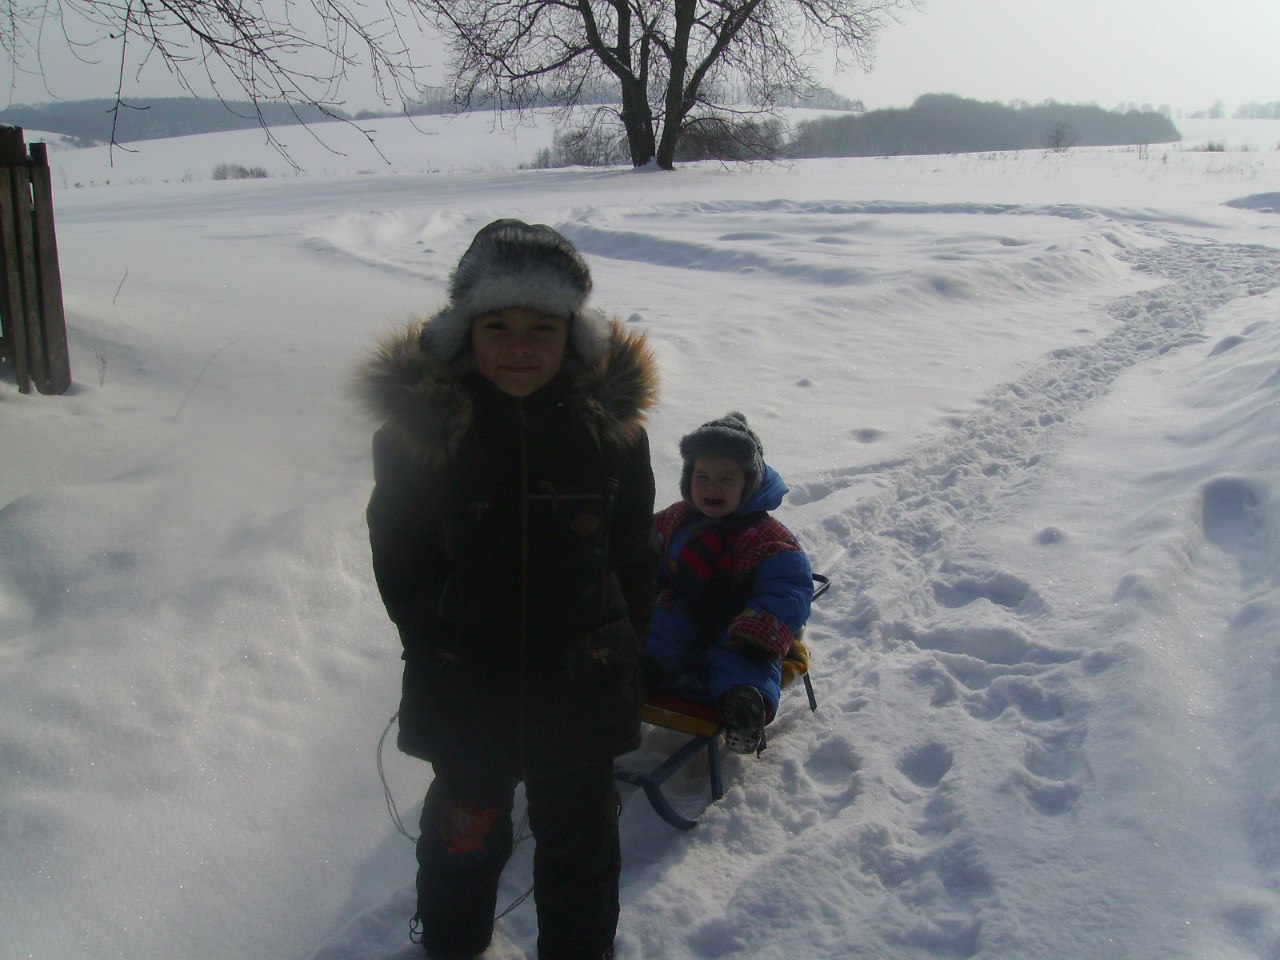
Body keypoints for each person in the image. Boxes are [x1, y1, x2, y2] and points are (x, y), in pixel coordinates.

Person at [354, 219, 659, 960]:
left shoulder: (609, 430)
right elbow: (398, 552)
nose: (519, 347)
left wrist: (625, 645)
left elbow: (634, 551)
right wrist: (432, 639)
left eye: (541, 328)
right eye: (498, 326)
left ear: (572, 333)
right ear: (465, 330)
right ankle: (450, 946)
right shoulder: (423, 434)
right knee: (462, 839)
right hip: (468, 686)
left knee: (582, 848)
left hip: (582, 685)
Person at [645, 412, 813, 756]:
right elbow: (646, 550)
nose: (712, 487)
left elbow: (789, 588)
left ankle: (744, 705)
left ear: (748, 482)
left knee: (742, 658)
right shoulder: (677, 519)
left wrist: (762, 624)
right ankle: (640, 671)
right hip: (684, 608)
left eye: (726, 479)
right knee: (660, 627)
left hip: (739, 620)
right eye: (702, 476)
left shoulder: (768, 539)